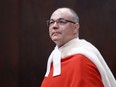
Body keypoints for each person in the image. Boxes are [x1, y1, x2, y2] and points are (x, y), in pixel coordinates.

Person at [41, 7, 116, 87]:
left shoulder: (82, 60)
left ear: (75, 27)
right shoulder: (54, 58)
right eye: (51, 22)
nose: (54, 26)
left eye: (61, 22)